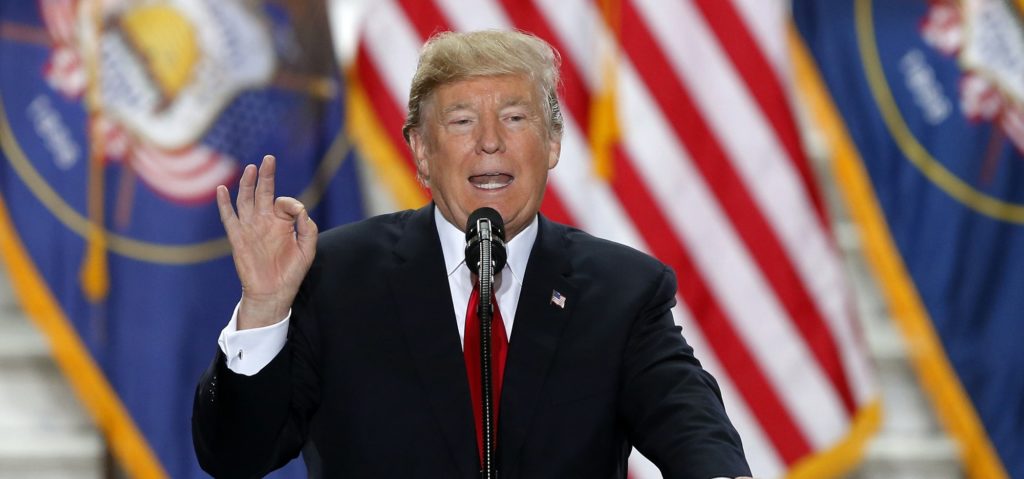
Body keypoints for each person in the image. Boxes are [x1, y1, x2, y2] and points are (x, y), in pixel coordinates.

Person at [192, 30, 751, 479]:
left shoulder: (622, 290)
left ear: (552, 143)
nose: (490, 141)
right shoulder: (337, 279)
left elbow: (691, 426)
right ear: (421, 151)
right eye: (461, 121)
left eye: (515, 117)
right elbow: (235, 458)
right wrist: (264, 308)